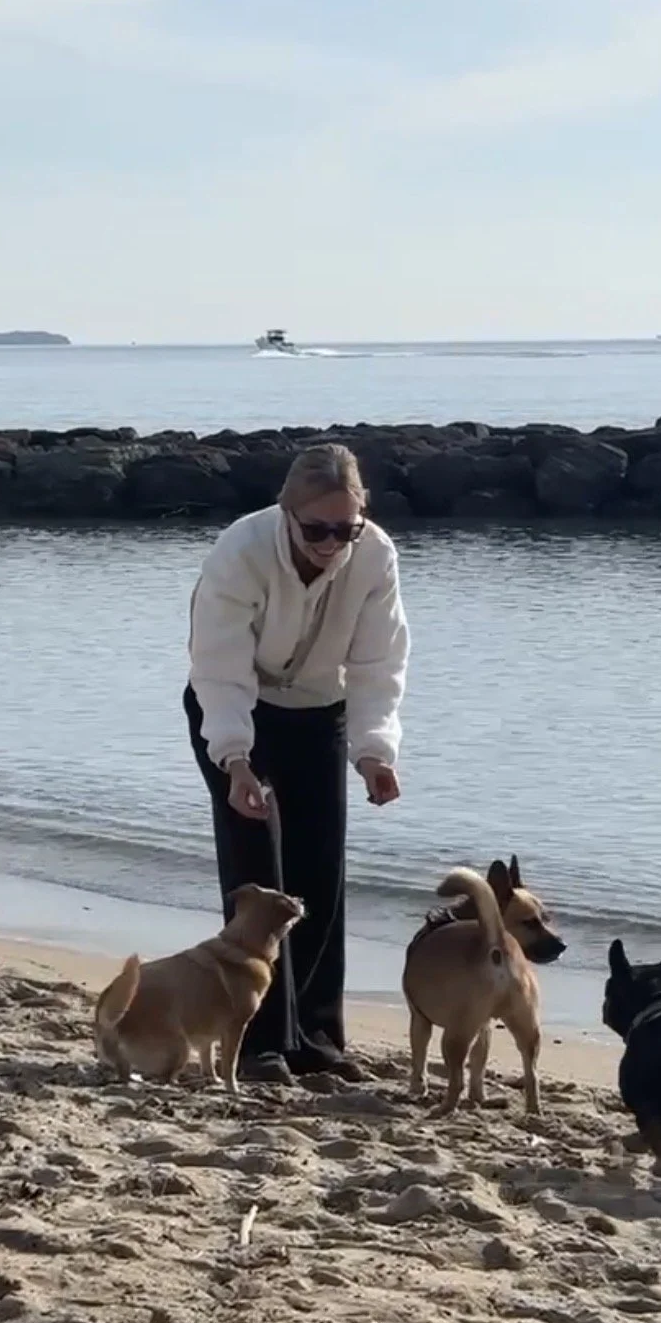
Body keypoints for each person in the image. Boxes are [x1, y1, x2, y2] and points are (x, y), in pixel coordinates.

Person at [183, 443, 409, 1084]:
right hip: (235, 709)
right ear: (288, 512)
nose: (332, 542)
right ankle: (257, 1044)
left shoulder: (375, 555)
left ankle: (316, 1039)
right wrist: (235, 761)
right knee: (258, 868)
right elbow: (218, 668)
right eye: (318, 529)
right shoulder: (242, 550)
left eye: (347, 527)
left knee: (319, 872)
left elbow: (378, 665)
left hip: (320, 711)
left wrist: (373, 752)